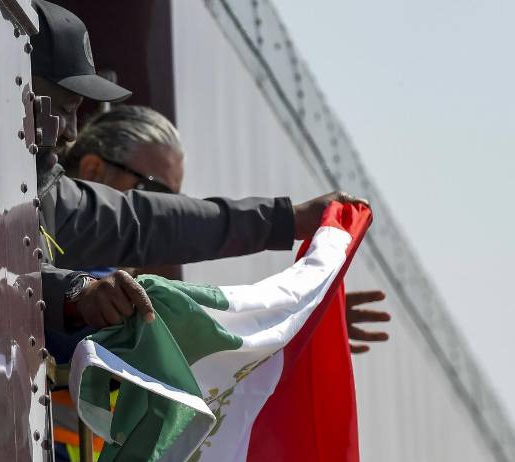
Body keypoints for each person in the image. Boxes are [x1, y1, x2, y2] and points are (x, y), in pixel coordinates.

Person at [28, 1, 369, 338]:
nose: (70, 131)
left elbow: (154, 222)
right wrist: (76, 292)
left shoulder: (55, 204)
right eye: (152, 189)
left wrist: (287, 227)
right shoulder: (101, 285)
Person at [63, 104, 392, 353]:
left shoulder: (126, 290)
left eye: (174, 201)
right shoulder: (51, 263)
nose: (165, 211)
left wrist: (295, 324)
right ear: (92, 170)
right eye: (157, 195)